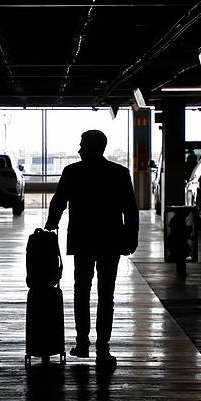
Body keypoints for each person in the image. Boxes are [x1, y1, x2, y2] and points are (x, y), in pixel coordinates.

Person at [44, 129, 139, 368]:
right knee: (106, 295)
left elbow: (58, 203)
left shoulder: (73, 172)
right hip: (110, 241)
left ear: (93, 147)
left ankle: (83, 343)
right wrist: (131, 238)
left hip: (82, 240)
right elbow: (131, 209)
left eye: (82, 144)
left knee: (81, 292)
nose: (78, 149)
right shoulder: (119, 173)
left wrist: (49, 229)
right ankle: (103, 348)